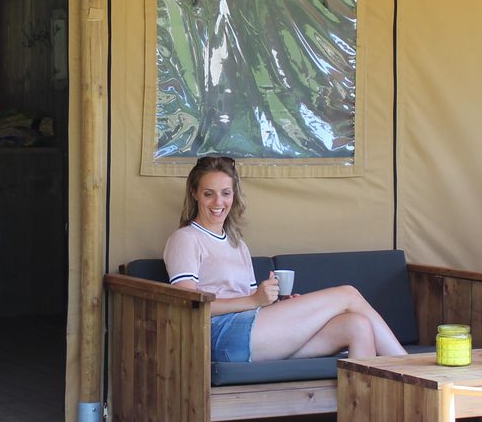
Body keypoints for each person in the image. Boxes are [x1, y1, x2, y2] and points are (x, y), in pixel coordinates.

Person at [163, 155, 409, 364]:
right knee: (348, 294)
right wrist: (254, 300)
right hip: (221, 336)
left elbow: (252, 302)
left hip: (254, 331)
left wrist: (277, 304)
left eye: (226, 193)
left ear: (234, 195)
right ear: (195, 193)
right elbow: (188, 305)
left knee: (357, 325)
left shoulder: (237, 244)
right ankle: (410, 369)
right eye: (209, 194)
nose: (219, 202)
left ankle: (365, 406)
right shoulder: (186, 239)